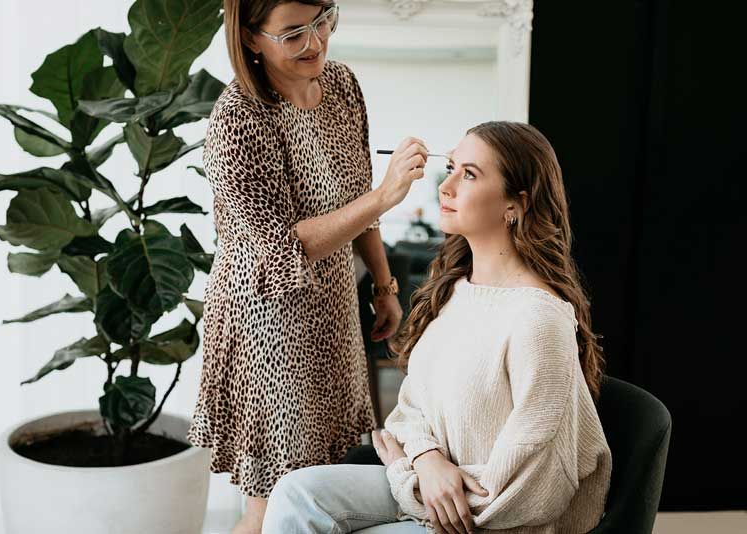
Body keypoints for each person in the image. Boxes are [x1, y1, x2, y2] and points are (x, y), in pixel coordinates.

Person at [262, 121, 612, 534]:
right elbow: (411, 408)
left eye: (469, 174)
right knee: (295, 493)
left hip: (489, 521)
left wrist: (404, 476)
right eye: (450, 167)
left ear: (515, 204)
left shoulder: (538, 318)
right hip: (429, 482)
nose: (445, 187)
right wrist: (426, 461)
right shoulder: (457, 291)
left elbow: (539, 488)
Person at [186, 2, 430, 532]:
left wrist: (384, 284)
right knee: (277, 498)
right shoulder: (236, 121)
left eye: (322, 18)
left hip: (334, 307)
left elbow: (355, 192)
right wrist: (389, 195)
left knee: (322, 479)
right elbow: (283, 246)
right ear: (251, 39)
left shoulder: (341, 85)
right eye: (292, 33)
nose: (316, 42)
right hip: (270, 322)